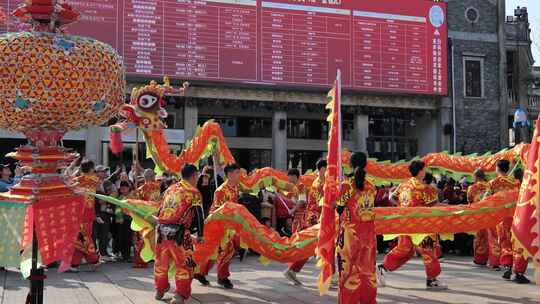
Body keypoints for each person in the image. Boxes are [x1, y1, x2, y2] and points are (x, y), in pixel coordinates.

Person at [378, 160, 447, 290]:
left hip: (405, 224)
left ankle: (383, 267)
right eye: (424, 169)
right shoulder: (425, 188)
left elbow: (391, 197)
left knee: (404, 250)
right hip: (421, 226)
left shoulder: (404, 185)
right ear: (420, 171)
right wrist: (451, 208)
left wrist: (401, 207)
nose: (425, 172)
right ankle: (432, 280)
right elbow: (434, 205)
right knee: (429, 252)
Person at [154, 164, 205, 304]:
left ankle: (160, 289)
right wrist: (200, 235)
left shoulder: (170, 188)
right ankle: (180, 295)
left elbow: (159, 211)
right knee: (185, 264)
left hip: (160, 232)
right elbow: (199, 214)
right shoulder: (194, 192)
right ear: (194, 175)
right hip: (180, 234)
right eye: (198, 175)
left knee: (161, 263)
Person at [336, 152, 377, 304]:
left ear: (350, 165)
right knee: (367, 271)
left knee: (349, 271)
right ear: (366, 165)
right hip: (368, 235)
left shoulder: (347, 185)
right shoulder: (372, 185)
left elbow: (339, 208)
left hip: (349, 235)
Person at [194, 163, 241, 289]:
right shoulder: (220, 191)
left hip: (229, 224)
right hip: (217, 224)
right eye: (237, 173)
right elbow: (219, 211)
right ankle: (219, 276)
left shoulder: (235, 187)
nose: (239, 175)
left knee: (228, 249)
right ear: (230, 174)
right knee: (213, 251)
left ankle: (211, 274)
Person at [284, 159, 326, 285]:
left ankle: (293, 269)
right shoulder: (316, 184)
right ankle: (293, 268)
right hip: (312, 219)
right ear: (323, 169)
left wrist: (292, 208)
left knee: (310, 245)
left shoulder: (304, 186)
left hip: (306, 217)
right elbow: (304, 202)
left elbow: (302, 202)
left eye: (290, 176)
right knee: (308, 245)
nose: (288, 179)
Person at [488, 160, 529, 284]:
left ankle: (508, 266)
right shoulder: (516, 182)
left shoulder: (492, 183)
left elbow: (488, 200)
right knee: (516, 242)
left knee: (504, 241)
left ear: (497, 168)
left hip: (500, 218)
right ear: (508, 168)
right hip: (515, 216)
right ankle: (518, 271)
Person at [71, 160, 101, 272]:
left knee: (82, 238)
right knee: (82, 238)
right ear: (91, 169)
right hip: (88, 213)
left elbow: (69, 184)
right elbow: (98, 183)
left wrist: (77, 171)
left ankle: (91, 260)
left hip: (79, 213)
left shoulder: (77, 181)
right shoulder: (94, 179)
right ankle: (87, 261)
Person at [134, 168, 162, 268]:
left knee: (143, 238)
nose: (155, 177)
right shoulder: (158, 187)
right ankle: (155, 258)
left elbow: (137, 204)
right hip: (157, 215)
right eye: (153, 176)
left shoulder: (140, 189)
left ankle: (141, 261)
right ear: (151, 177)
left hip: (145, 216)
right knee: (154, 237)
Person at [467, 169, 491, 266]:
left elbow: (469, 201)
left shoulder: (472, 188)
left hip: (477, 215)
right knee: (487, 236)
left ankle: (479, 259)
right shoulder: (489, 185)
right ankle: (487, 258)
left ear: (475, 176)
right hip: (488, 214)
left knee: (478, 237)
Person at [116, 181, 134, 262]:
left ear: (128, 188)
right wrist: (119, 218)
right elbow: (117, 209)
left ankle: (127, 255)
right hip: (121, 220)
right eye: (121, 189)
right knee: (121, 238)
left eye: (125, 188)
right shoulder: (119, 198)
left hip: (130, 219)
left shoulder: (132, 197)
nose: (123, 190)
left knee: (128, 238)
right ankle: (123, 255)